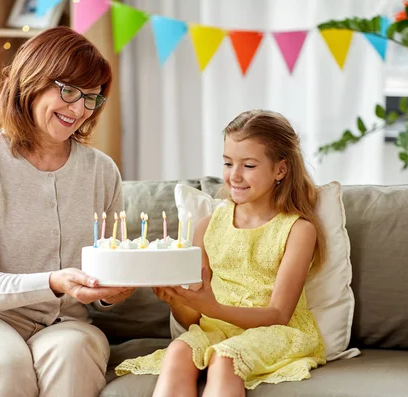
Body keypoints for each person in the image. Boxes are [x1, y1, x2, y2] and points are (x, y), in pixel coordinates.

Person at [0, 26, 134, 397]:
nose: (78, 109)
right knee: (5, 365)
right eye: (68, 91)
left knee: (75, 353)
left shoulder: (102, 171)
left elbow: (107, 273)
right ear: (32, 80)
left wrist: (109, 293)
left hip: (65, 322)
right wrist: (53, 282)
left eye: (91, 98)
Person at [115, 110, 327, 396]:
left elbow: (279, 314)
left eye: (249, 165)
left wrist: (212, 308)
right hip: (215, 329)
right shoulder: (207, 226)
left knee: (225, 358)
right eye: (228, 163)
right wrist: (177, 300)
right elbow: (193, 317)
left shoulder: (298, 229)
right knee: (178, 350)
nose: (234, 176)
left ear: (280, 169)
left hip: (273, 331)